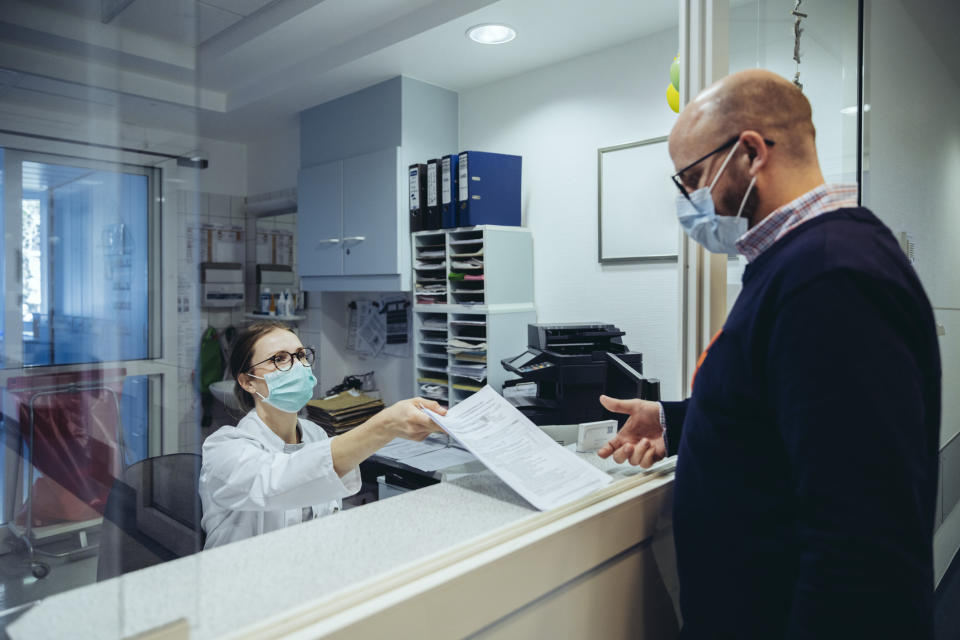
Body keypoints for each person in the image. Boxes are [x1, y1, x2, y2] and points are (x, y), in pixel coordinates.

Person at [598, 69, 941, 638]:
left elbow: (859, 543)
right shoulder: (803, 262)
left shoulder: (831, 277)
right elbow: (788, 410)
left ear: (750, 153)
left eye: (693, 178)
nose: (689, 202)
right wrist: (673, 420)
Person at [199, 320, 444, 548]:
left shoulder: (315, 434)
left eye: (301, 355)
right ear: (247, 382)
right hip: (242, 585)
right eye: (279, 359)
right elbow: (279, 481)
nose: (297, 365)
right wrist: (386, 425)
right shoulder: (223, 450)